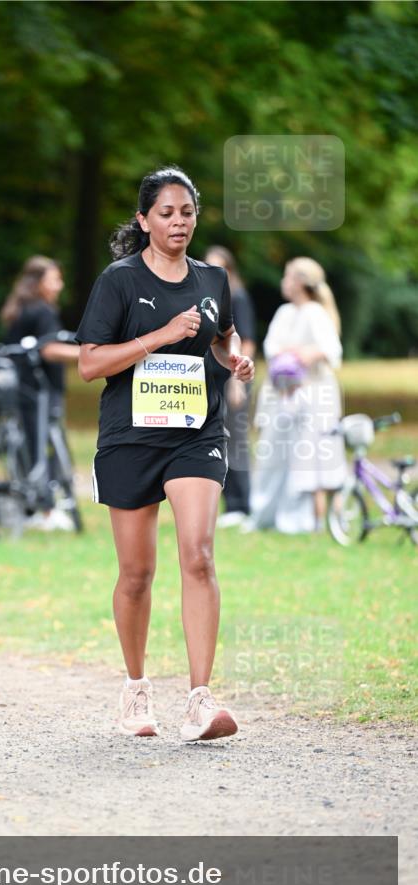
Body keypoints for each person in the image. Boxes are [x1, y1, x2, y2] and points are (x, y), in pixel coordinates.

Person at [77, 166, 254, 742]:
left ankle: (201, 698)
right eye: (166, 213)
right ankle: (135, 687)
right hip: (130, 438)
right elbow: (90, 364)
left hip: (196, 433)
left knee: (198, 555)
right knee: (137, 574)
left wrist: (235, 358)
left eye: (187, 212)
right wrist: (160, 335)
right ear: (144, 219)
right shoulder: (119, 281)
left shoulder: (213, 279)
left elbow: (222, 337)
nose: (179, 222)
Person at [248, 257, 346, 533]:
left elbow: (331, 350)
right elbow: (272, 347)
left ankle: (304, 519)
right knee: (275, 453)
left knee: (308, 458)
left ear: (300, 282)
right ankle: (267, 514)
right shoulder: (285, 312)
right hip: (283, 395)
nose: (284, 282)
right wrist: (287, 355)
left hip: (311, 395)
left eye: (288, 276)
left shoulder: (315, 312)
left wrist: (299, 355)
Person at [0, 255, 79, 530]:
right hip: (41, 389)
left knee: (28, 445)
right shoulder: (43, 311)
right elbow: (50, 349)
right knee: (44, 446)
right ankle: (45, 509)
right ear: (38, 282)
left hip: (20, 387)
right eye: (54, 279)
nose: (59, 285)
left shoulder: (20, 307)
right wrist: (88, 355)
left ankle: (31, 507)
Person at [204, 246, 256, 526]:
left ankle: (242, 504)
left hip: (232, 379)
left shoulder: (237, 297)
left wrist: (237, 381)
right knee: (217, 441)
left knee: (236, 440)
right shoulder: (206, 299)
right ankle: (229, 503)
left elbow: (246, 340)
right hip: (211, 380)